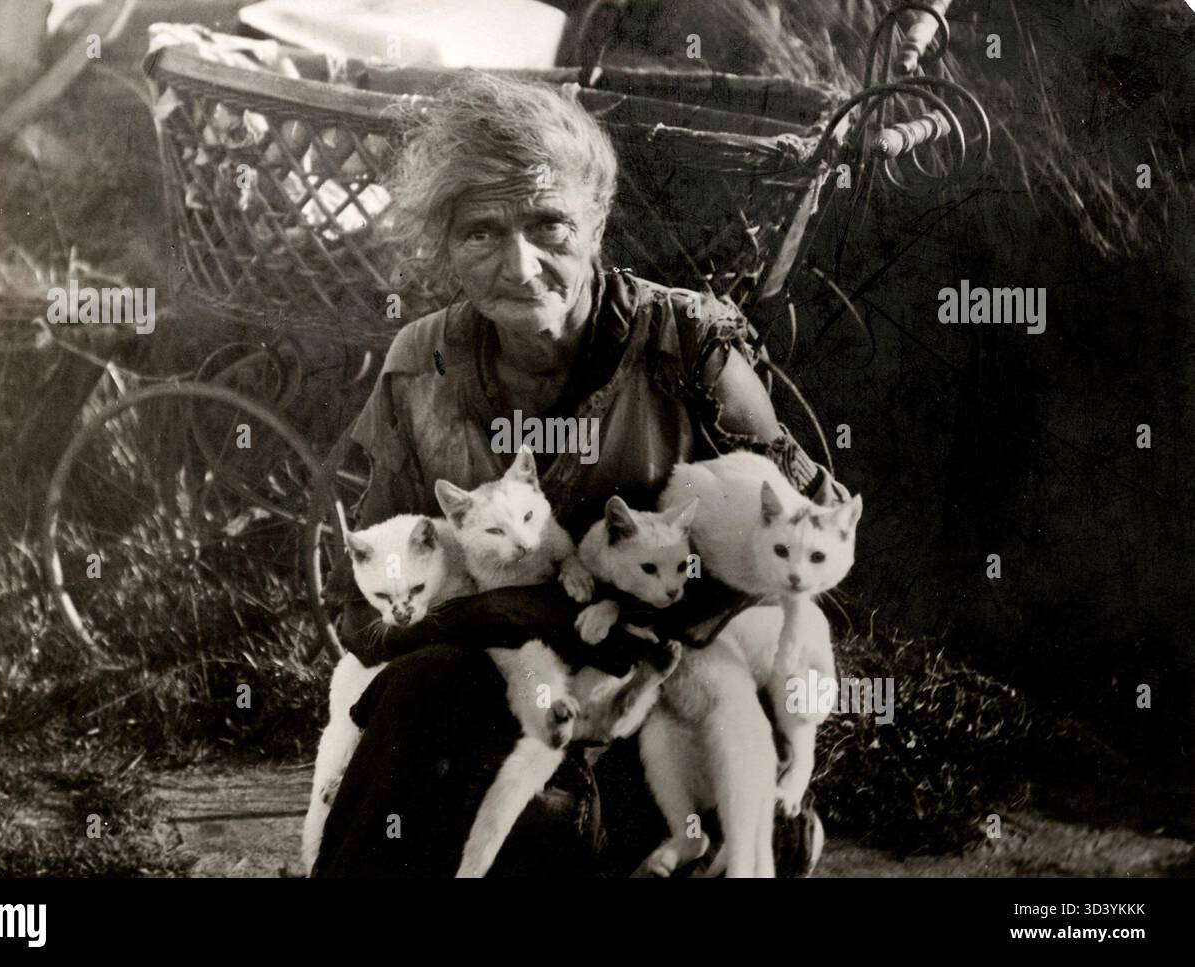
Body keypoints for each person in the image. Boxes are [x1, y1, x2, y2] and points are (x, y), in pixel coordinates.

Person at [312, 73, 845, 877]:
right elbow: (368, 605)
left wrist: (532, 611)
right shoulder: (420, 365)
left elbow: (797, 556)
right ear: (445, 247)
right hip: (512, 707)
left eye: (548, 224)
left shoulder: (687, 344)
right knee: (417, 687)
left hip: (666, 695)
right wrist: (475, 619)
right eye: (481, 233)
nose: (521, 266)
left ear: (597, 219)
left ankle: (738, 826)